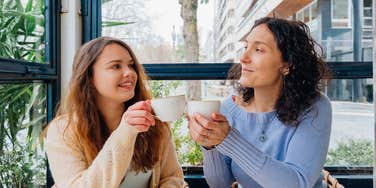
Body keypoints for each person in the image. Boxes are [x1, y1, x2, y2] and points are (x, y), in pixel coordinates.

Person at [188, 17, 332, 188]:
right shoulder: (229, 108)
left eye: (258, 49)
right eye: (246, 47)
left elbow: (297, 183)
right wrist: (210, 146)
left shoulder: (314, 107)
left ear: (287, 64)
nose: (243, 58)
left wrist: (229, 140)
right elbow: (221, 184)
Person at [44, 37, 185, 188]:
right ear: (89, 77)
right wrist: (126, 131)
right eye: (116, 66)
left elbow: (173, 178)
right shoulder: (62, 131)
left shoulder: (153, 123)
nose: (129, 73)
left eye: (131, 65)